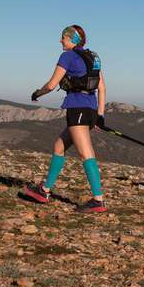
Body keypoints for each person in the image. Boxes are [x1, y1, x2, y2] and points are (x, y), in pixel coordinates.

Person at [22, 25, 108, 213]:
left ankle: (98, 200)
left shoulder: (67, 56)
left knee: (86, 153)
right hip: (91, 108)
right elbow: (101, 87)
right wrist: (100, 115)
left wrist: (37, 93)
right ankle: (44, 190)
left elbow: (52, 84)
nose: (61, 41)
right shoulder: (94, 57)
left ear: (72, 39)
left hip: (76, 107)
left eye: (63, 38)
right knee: (59, 146)